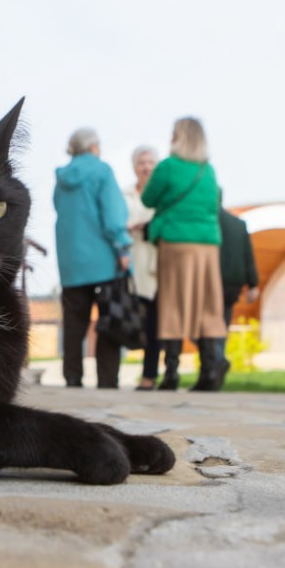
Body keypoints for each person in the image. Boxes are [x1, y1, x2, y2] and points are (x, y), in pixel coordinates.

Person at [141, 118, 227, 392]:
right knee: (208, 306)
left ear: (179, 137)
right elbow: (214, 204)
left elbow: (147, 198)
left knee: (173, 304)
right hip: (207, 245)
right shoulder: (208, 171)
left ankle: (172, 373)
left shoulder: (168, 167)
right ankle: (209, 371)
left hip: (176, 242)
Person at [54, 128, 132, 389]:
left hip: (70, 262)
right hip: (103, 261)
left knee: (74, 323)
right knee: (109, 320)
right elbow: (113, 215)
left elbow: (58, 208)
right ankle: (107, 380)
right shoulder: (102, 171)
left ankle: (72, 377)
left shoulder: (62, 178)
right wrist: (122, 248)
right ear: (94, 147)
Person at [124, 146, 161, 391]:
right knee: (127, 319)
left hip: (155, 264)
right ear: (134, 166)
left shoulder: (162, 194)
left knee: (154, 322)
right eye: (141, 162)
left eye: (150, 162)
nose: (146, 167)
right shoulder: (124, 194)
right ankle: (111, 374)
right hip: (130, 262)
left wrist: (146, 226)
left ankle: (149, 375)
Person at [218, 205, 260, 328]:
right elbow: (248, 256)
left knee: (205, 322)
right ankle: (220, 339)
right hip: (232, 284)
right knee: (224, 319)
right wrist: (252, 284)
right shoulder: (238, 224)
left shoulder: (209, 222)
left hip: (211, 281)